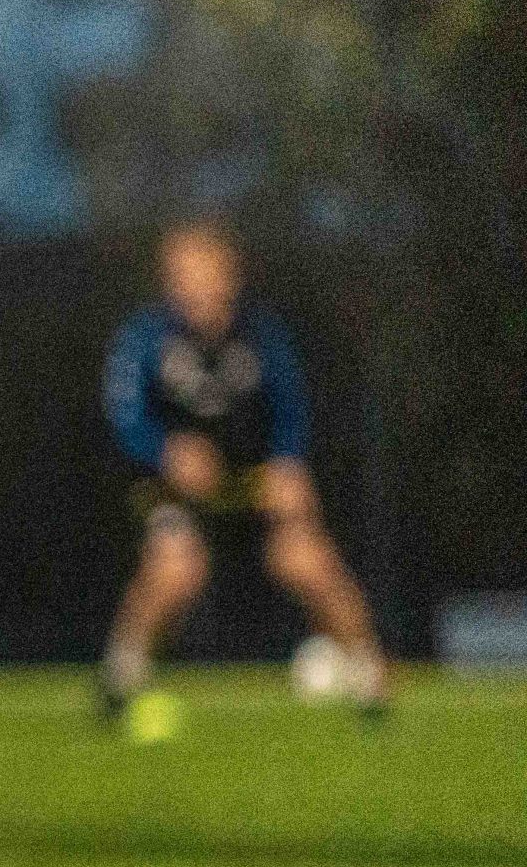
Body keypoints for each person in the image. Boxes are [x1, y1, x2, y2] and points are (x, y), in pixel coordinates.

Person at [97, 222, 388, 718]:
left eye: (203, 273)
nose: (193, 287)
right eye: (181, 276)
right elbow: (123, 413)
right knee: (175, 567)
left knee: (305, 559)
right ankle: (121, 676)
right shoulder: (144, 338)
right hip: (175, 486)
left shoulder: (263, 337)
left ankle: (371, 676)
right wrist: (165, 450)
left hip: (252, 481)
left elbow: (291, 408)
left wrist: (288, 463)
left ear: (229, 275)